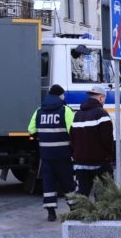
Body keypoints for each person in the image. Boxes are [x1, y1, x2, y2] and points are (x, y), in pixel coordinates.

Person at [28, 84, 77, 221]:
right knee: (67, 183)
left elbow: (31, 130)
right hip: (63, 155)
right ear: (60, 95)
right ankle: (74, 208)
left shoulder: (38, 111)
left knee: (48, 183)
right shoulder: (65, 110)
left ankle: (51, 213)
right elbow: (72, 131)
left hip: (46, 155)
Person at [69, 85, 114, 197]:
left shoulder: (77, 115)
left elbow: (72, 138)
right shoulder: (102, 114)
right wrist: (109, 156)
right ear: (101, 98)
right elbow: (107, 140)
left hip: (80, 163)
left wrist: (76, 155)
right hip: (99, 163)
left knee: (82, 195)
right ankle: (101, 215)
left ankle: (79, 214)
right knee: (103, 194)